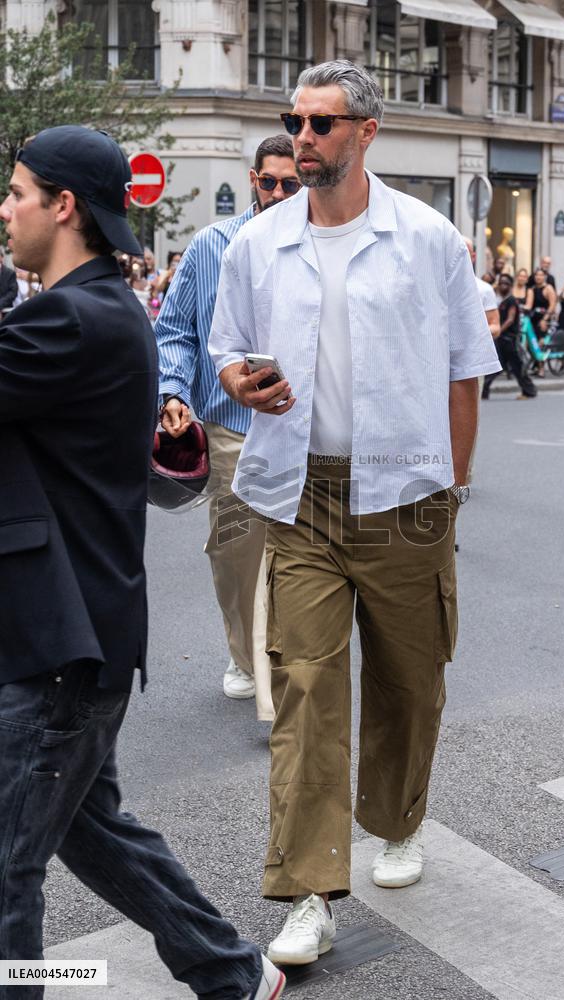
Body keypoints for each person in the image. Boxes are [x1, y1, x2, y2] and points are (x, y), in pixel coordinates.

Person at [209, 59, 501, 966]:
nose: (302, 138)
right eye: (295, 122)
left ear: (366, 133)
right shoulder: (260, 243)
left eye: (322, 124)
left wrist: (450, 486)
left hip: (406, 494)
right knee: (301, 688)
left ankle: (396, 820)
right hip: (301, 495)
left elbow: (465, 368)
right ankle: (306, 888)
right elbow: (226, 349)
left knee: (410, 685)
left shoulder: (424, 238)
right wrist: (236, 382)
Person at [0, 125, 285, 1000]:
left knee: (7, 870)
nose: (4, 209)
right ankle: (233, 973)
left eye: (15, 192)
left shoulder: (74, 317)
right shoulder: (94, 309)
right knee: (92, 831)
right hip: (76, 635)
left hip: (61, 644)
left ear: (63, 206)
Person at [155, 134, 300, 719]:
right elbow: (175, 330)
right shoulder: (211, 245)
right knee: (238, 552)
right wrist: (172, 391)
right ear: (252, 179)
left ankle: (282, 669)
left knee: (300, 555)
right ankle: (247, 657)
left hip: (304, 429)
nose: (281, 193)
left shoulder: (318, 244)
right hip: (232, 428)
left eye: (294, 184)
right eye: (271, 182)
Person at [482, 273, 537, 400]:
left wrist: (499, 330)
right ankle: (484, 391)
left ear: (510, 285)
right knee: (497, 366)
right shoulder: (499, 300)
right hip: (502, 340)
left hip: (510, 340)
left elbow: (510, 319)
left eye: (506, 283)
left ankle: (530, 391)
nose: (503, 286)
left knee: (517, 366)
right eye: (501, 283)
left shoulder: (511, 300)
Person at [529, 267, 557, 377]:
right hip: (533, 319)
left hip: (545, 319)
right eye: (536, 275)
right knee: (531, 343)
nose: (538, 277)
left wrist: (545, 319)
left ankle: (541, 368)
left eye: (541, 275)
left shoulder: (548, 288)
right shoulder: (532, 289)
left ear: (544, 277)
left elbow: (552, 304)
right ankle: (536, 365)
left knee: (540, 343)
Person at [0, 246, 18, 313]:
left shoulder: (10, 273)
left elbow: (13, 292)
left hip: (6, 311)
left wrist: (1, 304)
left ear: (1, 257)